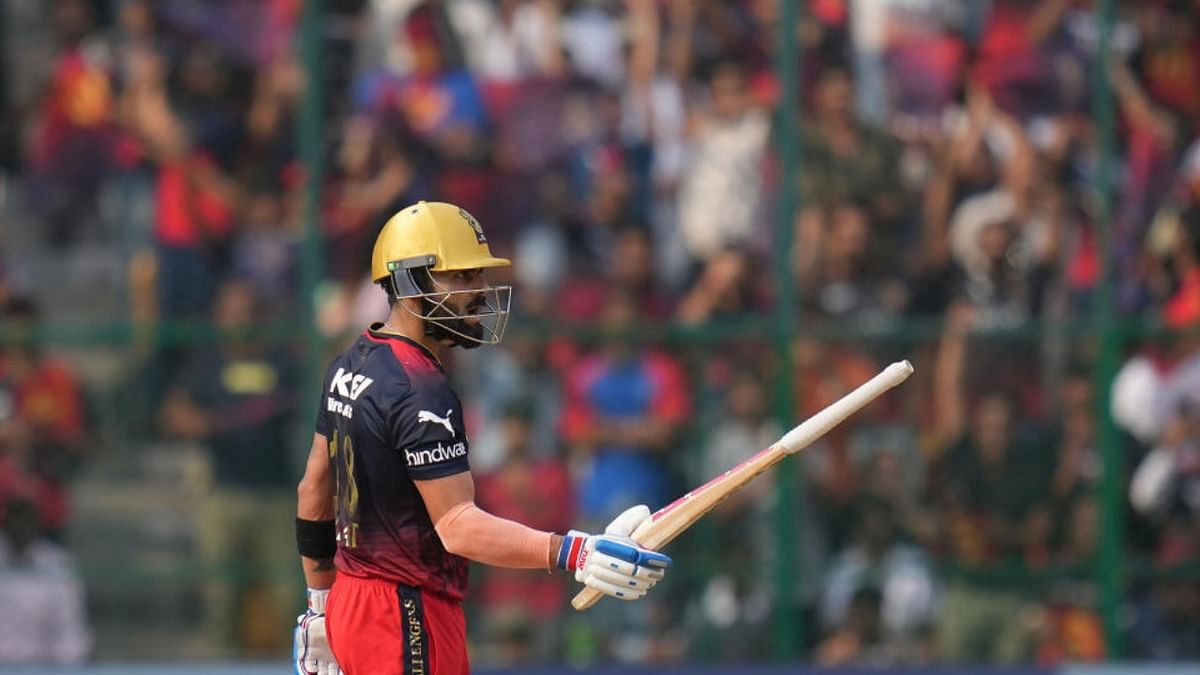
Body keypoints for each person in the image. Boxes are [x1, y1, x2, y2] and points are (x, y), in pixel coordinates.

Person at [293, 201, 672, 675]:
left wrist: (321, 604)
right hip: (406, 613)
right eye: (464, 278)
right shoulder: (421, 388)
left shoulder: (351, 361)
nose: (481, 292)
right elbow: (457, 527)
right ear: (411, 282)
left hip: (352, 600)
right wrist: (572, 551)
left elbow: (313, 488)